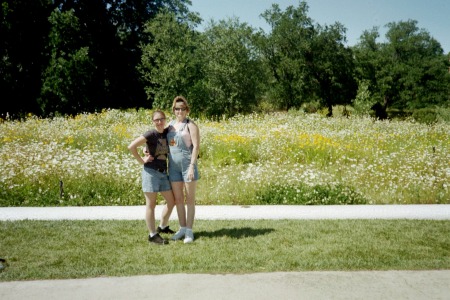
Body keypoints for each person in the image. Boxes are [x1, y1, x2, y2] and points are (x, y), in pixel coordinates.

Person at [128, 110, 176, 245]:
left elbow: (176, 127)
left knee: (172, 201)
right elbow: (131, 146)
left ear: (165, 120)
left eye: (162, 119)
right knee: (151, 205)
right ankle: (152, 235)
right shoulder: (150, 133)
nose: (159, 122)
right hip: (150, 172)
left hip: (163, 173)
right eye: (156, 120)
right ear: (153, 121)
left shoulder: (167, 133)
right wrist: (142, 160)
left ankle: (163, 226)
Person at [167, 96, 200, 244]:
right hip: (173, 166)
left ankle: (189, 231)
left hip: (188, 165)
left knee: (190, 199)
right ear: (174, 110)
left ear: (187, 110)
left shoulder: (191, 125)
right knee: (178, 199)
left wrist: (192, 166)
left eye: (182, 108)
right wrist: (146, 149)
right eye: (177, 109)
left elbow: (196, 147)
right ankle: (181, 228)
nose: (179, 111)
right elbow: (159, 139)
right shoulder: (170, 125)